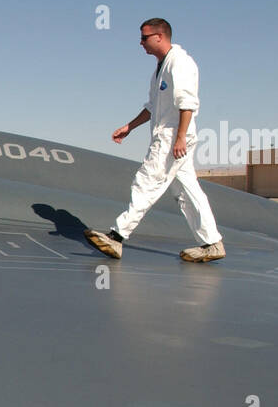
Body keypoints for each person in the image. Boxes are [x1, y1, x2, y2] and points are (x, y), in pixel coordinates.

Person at [84, 18, 225, 262]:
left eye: (144, 38)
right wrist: (129, 127)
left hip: (173, 137)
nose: (140, 43)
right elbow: (153, 107)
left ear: (160, 36)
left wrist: (180, 138)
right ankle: (212, 243)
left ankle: (117, 237)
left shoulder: (180, 63)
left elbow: (188, 103)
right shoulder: (161, 67)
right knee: (186, 191)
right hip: (170, 135)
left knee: (147, 181)